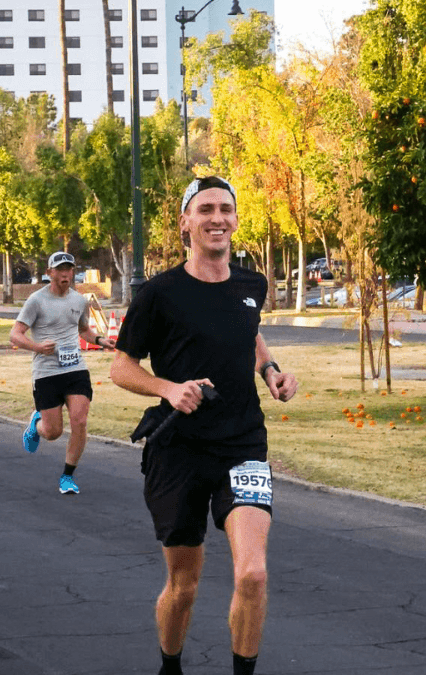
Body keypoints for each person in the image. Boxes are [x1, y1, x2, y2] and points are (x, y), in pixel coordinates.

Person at [109, 176, 298, 675]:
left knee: (253, 574)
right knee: (184, 585)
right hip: (179, 448)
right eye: (206, 208)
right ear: (185, 223)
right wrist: (168, 388)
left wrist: (270, 370)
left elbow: (249, 334)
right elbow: (121, 366)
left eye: (226, 209)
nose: (218, 218)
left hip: (243, 444)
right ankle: (170, 667)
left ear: (236, 220)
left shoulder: (250, 285)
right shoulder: (160, 293)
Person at [11, 251, 114, 495]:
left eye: (69, 268)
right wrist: (36, 347)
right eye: (60, 269)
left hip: (75, 369)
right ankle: (36, 425)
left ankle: (67, 476)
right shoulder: (36, 300)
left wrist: (100, 339)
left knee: (80, 420)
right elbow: (15, 334)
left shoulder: (79, 301)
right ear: (50, 273)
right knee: (53, 432)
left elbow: (83, 330)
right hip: (46, 372)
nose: (66, 273)